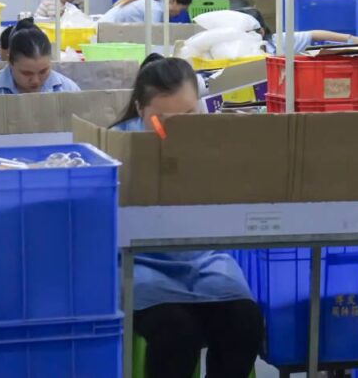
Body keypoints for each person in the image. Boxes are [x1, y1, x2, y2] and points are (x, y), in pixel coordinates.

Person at [111, 54, 264, 377]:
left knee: (245, 323)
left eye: (189, 114)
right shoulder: (116, 146)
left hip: (204, 259)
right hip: (141, 263)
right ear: (140, 109)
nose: (178, 128)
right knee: (177, 334)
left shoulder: (215, 141)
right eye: (163, 119)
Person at [0, 26, 79, 96]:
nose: (36, 81)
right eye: (26, 73)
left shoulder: (69, 91)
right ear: (10, 62)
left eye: (43, 71)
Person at [238, 7, 358, 55]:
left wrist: (351, 39)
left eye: (246, 32)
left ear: (261, 32)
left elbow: (315, 35)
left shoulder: (278, 41)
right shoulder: (231, 48)